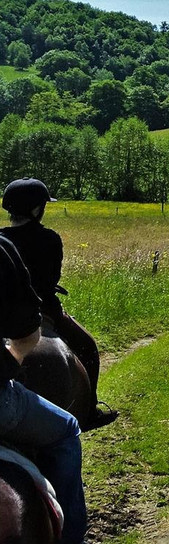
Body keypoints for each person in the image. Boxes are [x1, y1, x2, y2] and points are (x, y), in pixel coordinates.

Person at [0, 178, 117, 432]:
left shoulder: (1, 238)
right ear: (36, 209)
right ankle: (90, 410)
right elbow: (51, 279)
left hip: (6, 312)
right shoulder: (50, 239)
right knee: (88, 347)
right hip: (44, 309)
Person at [0, 231, 87, 544]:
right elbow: (26, 333)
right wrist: (11, 360)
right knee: (67, 428)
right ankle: (73, 536)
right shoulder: (13, 244)